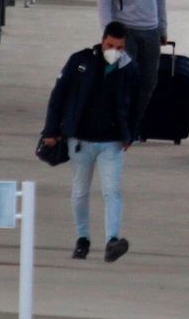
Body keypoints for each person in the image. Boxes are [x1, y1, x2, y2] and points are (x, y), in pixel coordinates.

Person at [41, 22, 137, 263]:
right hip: (80, 141)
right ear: (102, 40)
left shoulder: (129, 68)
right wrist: (51, 131)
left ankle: (112, 241)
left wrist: (131, 133)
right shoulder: (80, 62)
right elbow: (58, 95)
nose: (114, 50)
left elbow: (136, 103)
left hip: (112, 143)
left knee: (112, 191)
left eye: (119, 47)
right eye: (110, 45)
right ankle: (82, 239)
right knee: (80, 192)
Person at [97, 0, 167, 140]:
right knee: (121, 80)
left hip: (151, 31)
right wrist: (109, 34)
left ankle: (133, 126)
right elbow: (103, 1)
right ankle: (116, 124)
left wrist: (163, 27)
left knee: (148, 82)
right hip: (125, 33)